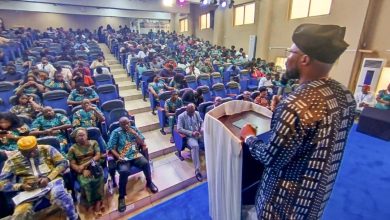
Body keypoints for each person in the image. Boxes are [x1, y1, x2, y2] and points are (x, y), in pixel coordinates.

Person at [240, 24, 356, 219]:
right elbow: (316, 135)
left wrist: (249, 137)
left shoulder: (295, 105)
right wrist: (284, 113)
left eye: (290, 52)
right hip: (317, 195)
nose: (287, 58)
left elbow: (272, 159)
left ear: (304, 59)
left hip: (282, 204)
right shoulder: (345, 94)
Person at [0, 136, 79, 220]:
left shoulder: (47, 149)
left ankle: (73, 217)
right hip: (28, 190)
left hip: (52, 181)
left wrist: (48, 178)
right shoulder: (12, 160)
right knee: (20, 213)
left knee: (60, 195)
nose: (32, 154)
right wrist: (21, 186)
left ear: (36, 145)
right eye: (27, 152)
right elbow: (1, 183)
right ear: (20, 151)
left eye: (34, 150)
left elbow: (63, 163)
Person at [107, 117, 158, 213]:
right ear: (120, 125)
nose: (126, 125)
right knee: (124, 171)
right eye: (123, 124)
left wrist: (135, 134)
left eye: (127, 123)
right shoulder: (116, 132)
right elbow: (111, 148)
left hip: (134, 154)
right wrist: (118, 157)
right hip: (123, 156)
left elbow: (142, 142)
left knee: (145, 163)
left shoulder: (134, 129)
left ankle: (149, 182)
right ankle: (121, 197)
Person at [67, 128, 105, 214]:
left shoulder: (94, 143)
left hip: (94, 165)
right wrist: (81, 170)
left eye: (83, 135)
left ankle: (99, 201)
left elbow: (97, 156)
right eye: (79, 136)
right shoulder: (72, 148)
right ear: (75, 138)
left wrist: (84, 166)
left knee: (98, 179)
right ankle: (91, 202)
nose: (81, 137)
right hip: (82, 170)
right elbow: (72, 164)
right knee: (86, 182)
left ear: (87, 136)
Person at [177, 104, 204, 182]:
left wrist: (201, 128)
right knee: (195, 146)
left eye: (193, 111)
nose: (192, 114)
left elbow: (201, 121)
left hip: (198, 133)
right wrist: (191, 133)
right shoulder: (181, 116)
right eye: (190, 112)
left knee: (209, 138)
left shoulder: (197, 113)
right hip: (190, 136)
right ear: (187, 110)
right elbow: (179, 129)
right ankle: (197, 171)